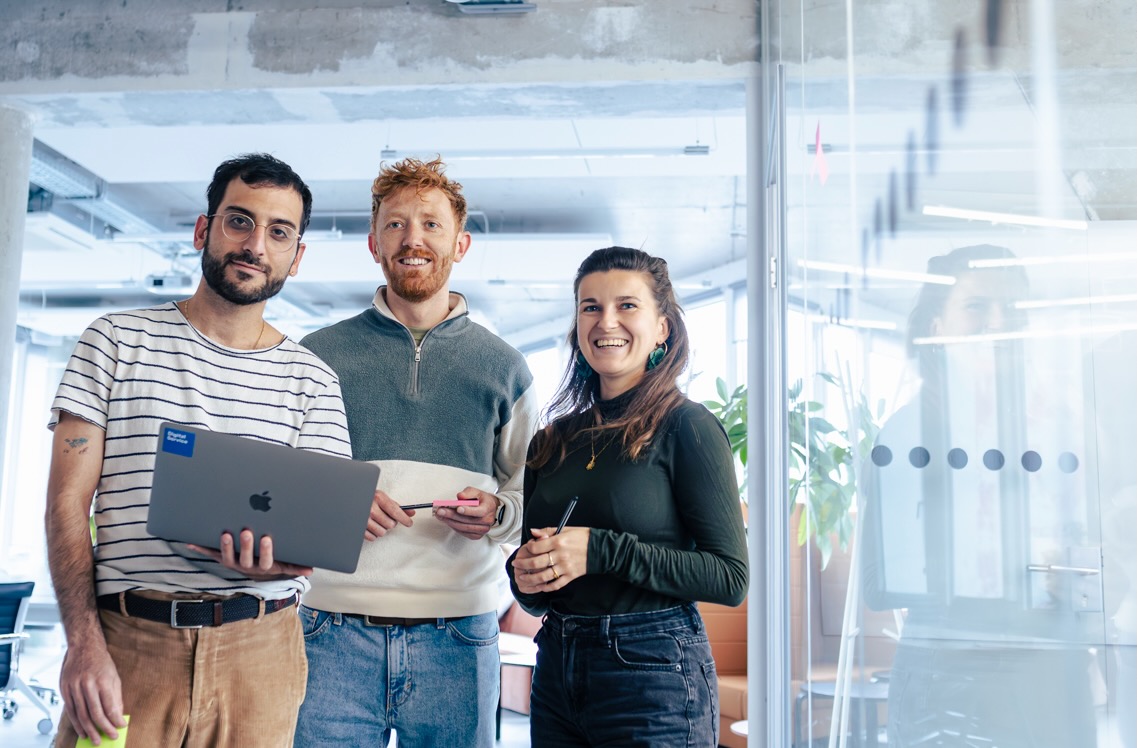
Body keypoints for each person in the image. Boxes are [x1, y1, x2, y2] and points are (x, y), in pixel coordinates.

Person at [45, 153, 352, 747]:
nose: (255, 244)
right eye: (239, 221)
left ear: (296, 255)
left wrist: (277, 561)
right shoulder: (113, 342)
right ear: (202, 229)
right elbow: (66, 502)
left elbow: (314, 538)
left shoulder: (314, 380)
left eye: (278, 232)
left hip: (261, 656)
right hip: (128, 645)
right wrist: (82, 644)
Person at [294, 156, 539, 747]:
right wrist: (335, 502)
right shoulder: (316, 356)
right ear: (373, 242)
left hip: (459, 637)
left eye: (431, 224)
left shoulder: (505, 367)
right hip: (327, 634)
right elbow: (279, 483)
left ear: (461, 243)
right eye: (397, 224)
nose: (414, 239)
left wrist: (499, 513)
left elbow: (533, 492)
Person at [506, 246, 749, 747]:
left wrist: (600, 550)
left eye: (627, 305)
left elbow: (729, 577)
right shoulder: (552, 441)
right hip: (556, 664)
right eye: (590, 306)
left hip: (653, 672)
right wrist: (525, 575)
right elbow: (536, 591)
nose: (605, 321)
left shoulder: (689, 428)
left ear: (662, 327)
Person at [860, 244, 1098, 748]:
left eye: (1012, 310)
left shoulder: (1066, 424)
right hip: (945, 677)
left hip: (1048, 674)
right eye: (977, 306)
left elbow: (1105, 557)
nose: (997, 321)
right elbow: (880, 584)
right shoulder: (906, 434)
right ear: (937, 325)